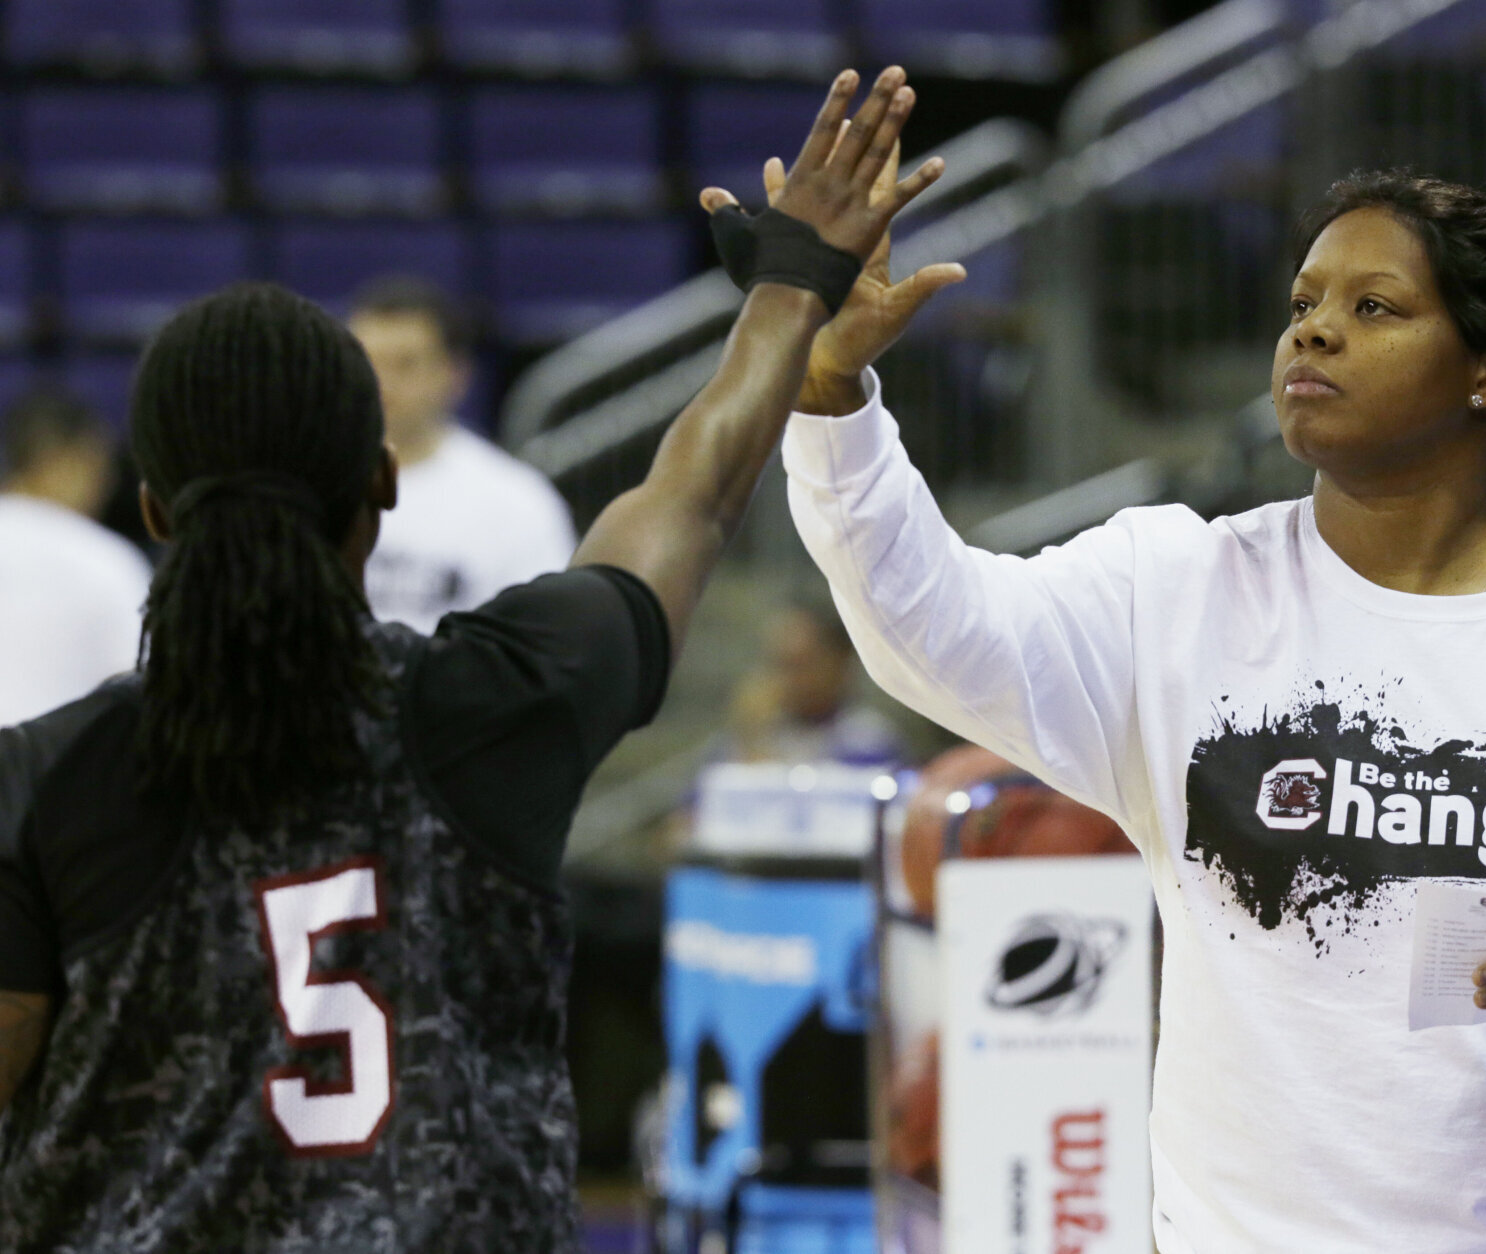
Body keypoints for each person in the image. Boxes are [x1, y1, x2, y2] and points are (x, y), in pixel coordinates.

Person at [781, 170, 1486, 1253]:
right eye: (1303, 303)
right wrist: (829, 387)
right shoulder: (1175, 591)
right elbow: (928, 624)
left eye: (1372, 307)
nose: (1314, 332)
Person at [0, 66, 944, 1251]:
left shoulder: (39, 777)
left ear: (152, 512)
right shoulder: (495, 700)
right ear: (379, 488)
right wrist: (789, 287)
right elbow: (689, 498)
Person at [348, 276, 579, 633]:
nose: (382, 382)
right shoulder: (301, 482)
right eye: (367, 361)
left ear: (455, 374)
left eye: (405, 363)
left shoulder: (517, 501)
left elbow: (543, 637)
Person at [0, 387, 150, 727]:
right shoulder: (106, 560)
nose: (107, 484)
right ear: (74, 459)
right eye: (102, 467)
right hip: (55, 757)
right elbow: (144, 694)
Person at [720, 595, 904, 767]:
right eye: (781, 664)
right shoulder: (747, 737)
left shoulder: (867, 741)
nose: (790, 679)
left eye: (801, 664)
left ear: (838, 662)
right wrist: (751, 738)